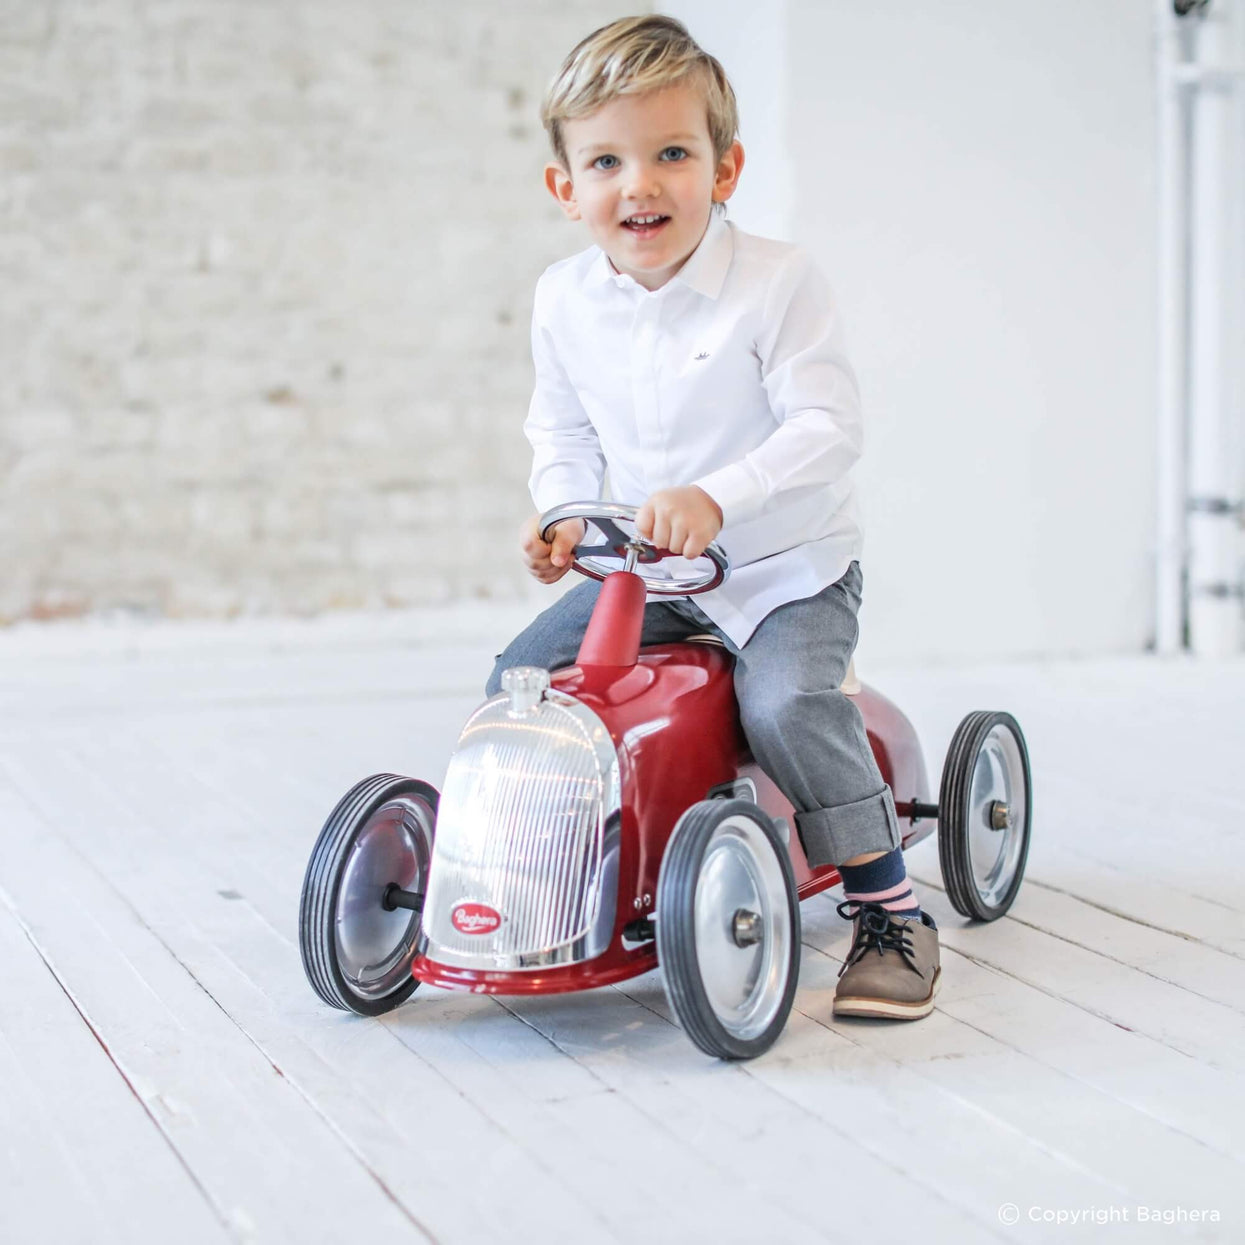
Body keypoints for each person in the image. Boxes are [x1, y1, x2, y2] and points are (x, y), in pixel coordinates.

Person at [486, 15, 939, 1020]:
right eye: (606, 160)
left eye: (672, 154)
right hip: (645, 576)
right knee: (526, 690)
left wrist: (719, 495)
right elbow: (559, 430)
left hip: (785, 570)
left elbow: (829, 425)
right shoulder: (563, 301)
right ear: (567, 189)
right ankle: (571, 878)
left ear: (724, 169)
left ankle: (888, 906)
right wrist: (560, 512)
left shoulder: (776, 282)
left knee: (781, 706)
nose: (639, 185)